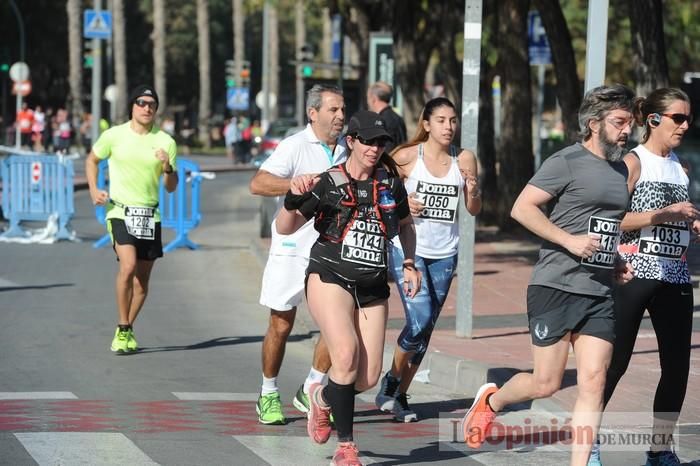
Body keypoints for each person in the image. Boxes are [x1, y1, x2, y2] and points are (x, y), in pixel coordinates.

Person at [461, 84, 636, 466]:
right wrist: (569, 241)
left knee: (594, 381)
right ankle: (492, 400)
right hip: (555, 285)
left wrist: (614, 257)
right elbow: (521, 209)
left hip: (598, 289)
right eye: (620, 122)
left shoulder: (621, 166)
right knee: (546, 383)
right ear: (594, 124)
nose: (627, 131)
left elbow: (608, 223)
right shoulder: (566, 161)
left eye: (630, 123)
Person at [276, 110, 421, 466]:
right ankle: (347, 446)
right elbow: (284, 227)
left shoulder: (389, 183)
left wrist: (408, 263)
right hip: (330, 276)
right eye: (368, 141)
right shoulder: (328, 181)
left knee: (368, 377)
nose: (375, 148)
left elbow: (405, 225)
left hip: (372, 284)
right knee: (344, 354)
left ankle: (322, 398)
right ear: (351, 142)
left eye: (381, 142)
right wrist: (293, 197)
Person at [588, 88, 698, 466]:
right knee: (614, 366)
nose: (685, 125)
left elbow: (678, 215)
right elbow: (612, 219)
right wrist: (662, 215)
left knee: (677, 370)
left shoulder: (681, 167)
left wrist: (692, 221)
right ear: (653, 120)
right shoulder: (633, 163)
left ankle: (660, 450)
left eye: (688, 118)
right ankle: (589, 447)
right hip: (634, 274)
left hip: (675, 275)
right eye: (677, 118)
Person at [375, 97, 481, 422]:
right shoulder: (407, 158)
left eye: (452, 120)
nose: (448, 127)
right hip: (410, 251)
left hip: (446, 254)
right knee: (418, 319)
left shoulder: (464, 158)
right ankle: (391, 380)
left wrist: (473, 189)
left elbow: (473, 210)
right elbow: (379, 189)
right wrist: (403, 201)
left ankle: (401, 395)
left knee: (427, 329)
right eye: (441, 120)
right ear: (426, 124)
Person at [249, 84, 345, 425]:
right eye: (333, 110)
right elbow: (258, 183)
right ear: (313, 113)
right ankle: (268, 392)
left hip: (331, 247)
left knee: (338, 325)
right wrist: (291, 184)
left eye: (342, 110)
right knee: (281, 322)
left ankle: (312, 388)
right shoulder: (293, 146)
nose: (340, 116)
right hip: (291, 246)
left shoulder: (349, 148)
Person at [85, 84, 177, 354]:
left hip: (150, 215)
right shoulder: (114, 135)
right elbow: (92, 160)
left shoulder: (166, 142)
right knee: (127, 266)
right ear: (132, 106)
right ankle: (123, 327)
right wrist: (93, 189)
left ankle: (125, 329)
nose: (147, 108)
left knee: (142, 282)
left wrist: (167, 166)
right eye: (141, 103)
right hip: (119, 211)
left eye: (152, 104)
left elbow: (171, 185)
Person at [367, 81, 407, 154]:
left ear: (373, 98)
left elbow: (387, 150)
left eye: (368, 98)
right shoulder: (398, 117)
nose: (368, 102)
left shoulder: (381, 121)